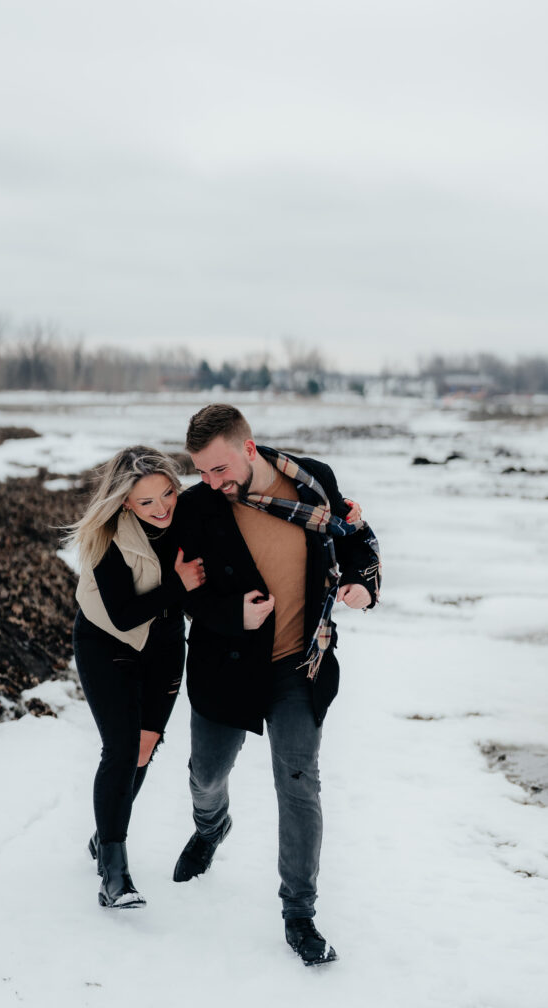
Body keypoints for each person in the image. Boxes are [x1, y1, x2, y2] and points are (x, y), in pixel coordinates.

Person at [171, 404, 381, 966]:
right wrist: (229, 612)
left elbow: (354, 533)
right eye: (201, 472)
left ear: (248, 447)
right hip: (225, 667)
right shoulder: (195, 509)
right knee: (206, 774)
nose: (212, 483)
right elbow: (185, 593)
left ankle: (300, 912)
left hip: (298, 665)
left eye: (219, 469)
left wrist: (362, 583)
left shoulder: (312, 481)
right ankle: (211, 827)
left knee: (299, 783)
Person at [68, 446, 205, 909]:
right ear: (126, 502)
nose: (162, 508)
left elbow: (240, 503)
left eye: (168, 493)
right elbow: (125, 617)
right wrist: (178, 585)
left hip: (164, 644)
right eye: (148, 502)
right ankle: (114, 873)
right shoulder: (105, 536)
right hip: (108, 641)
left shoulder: (188, 515)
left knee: (146, 745)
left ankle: (104, 834)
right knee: (122, 748)